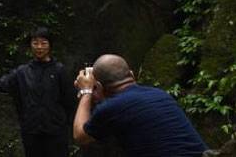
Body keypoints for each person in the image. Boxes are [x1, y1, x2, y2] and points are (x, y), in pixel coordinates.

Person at [0, 28, 75, 157]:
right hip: (31, 131)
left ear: (50, 45)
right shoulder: (23, 72)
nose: (39, 47)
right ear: (30, 46)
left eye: (44, 43)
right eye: (35, 43)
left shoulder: (59, 70)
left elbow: (70, 99)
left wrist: (63, 123)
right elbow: (1, 83)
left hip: (56, 132)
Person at [72, 54, 208, 157]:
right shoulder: (160, 94)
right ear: (132, 74)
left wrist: (86, 91)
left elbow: (80, 136)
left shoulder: (111, 108)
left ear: (99, 86)